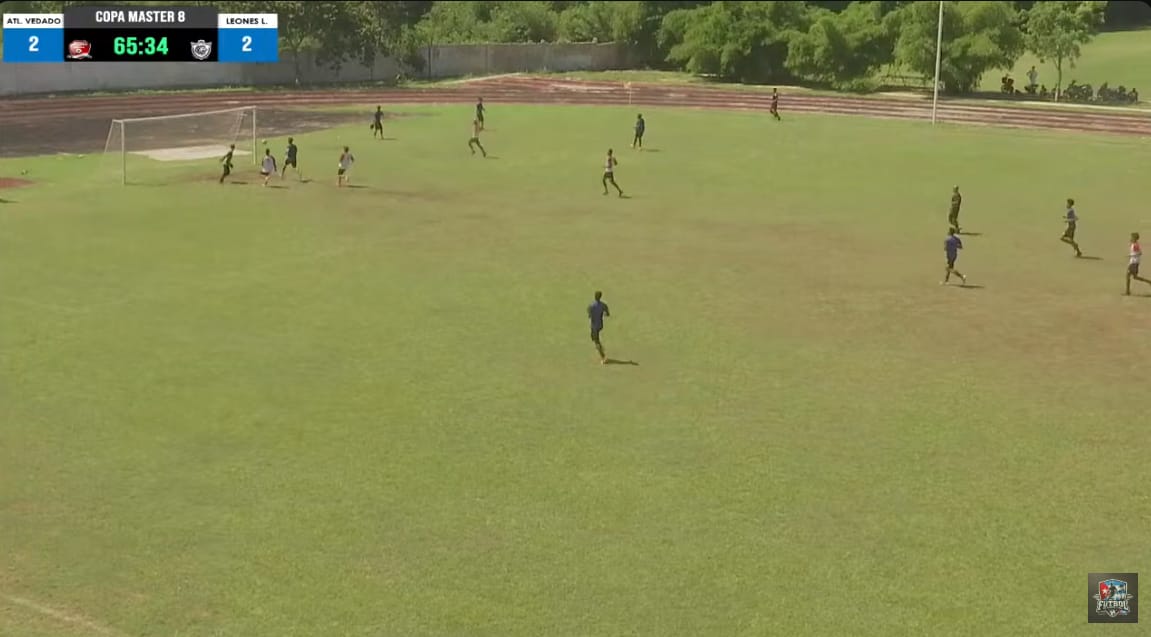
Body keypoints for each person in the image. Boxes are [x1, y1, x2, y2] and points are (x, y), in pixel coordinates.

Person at [587, 290, 611, 365]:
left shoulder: (591, 306)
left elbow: (589, 315)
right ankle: (600, 347)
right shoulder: (604, 305)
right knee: (594, 338)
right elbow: (607, 314)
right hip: (600, 325)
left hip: (594, 326)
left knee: (596, 341)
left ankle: (603, 357)